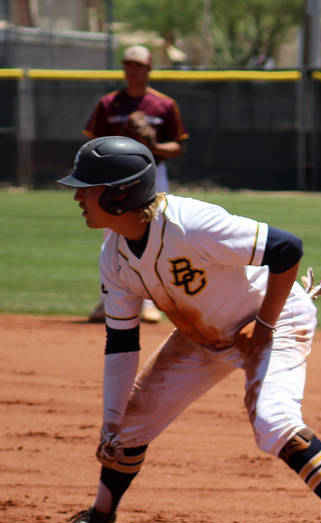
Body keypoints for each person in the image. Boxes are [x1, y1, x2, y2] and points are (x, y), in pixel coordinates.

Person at [44, 136, 321, 523]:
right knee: (129, 424)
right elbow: (121, 341)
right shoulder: (114, 256)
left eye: (86, 187)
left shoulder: (191, 224)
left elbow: (287, 249)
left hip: (275, 321)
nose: (77, 196)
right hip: (202, 336)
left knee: (273, 421)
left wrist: (264, 324)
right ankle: (100, 521)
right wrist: (110, 421)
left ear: (119, 194)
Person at [83, 45, 189, 324]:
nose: (133, 69)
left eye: (138, 65)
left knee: (152, 234)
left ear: (149, 67)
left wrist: (153, 144)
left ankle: (148, 302)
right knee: (111, 238)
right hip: (112, 180)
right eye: (129, 64)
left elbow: (178, 147)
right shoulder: (108, 104)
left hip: (153, 175)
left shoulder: (163, 105)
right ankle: (110, 298)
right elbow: (92, 143)